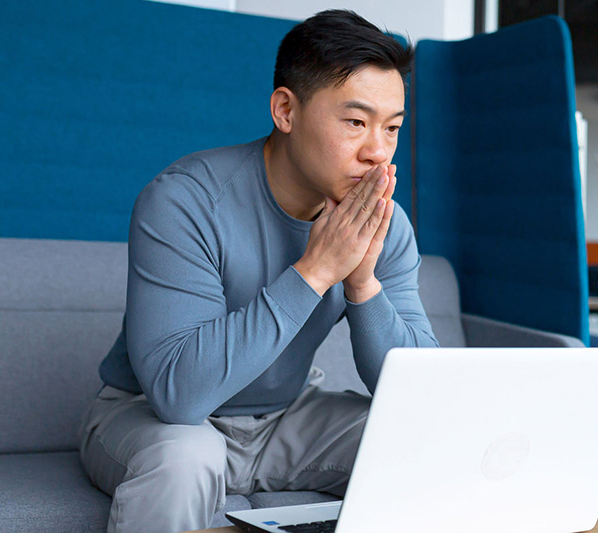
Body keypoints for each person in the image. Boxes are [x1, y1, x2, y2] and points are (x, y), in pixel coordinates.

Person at [78, 9, 438, 533]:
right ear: (286, 110)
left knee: (424, 442)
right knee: (186, 459)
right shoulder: (185, 201)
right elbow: (180, 396)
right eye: (356, 122)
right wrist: (316, 270)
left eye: (393, 128)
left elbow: (419, 396)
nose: (377, 152)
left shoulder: (383, 223)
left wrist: (362, 282)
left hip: (286, 418)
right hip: (153, 418)